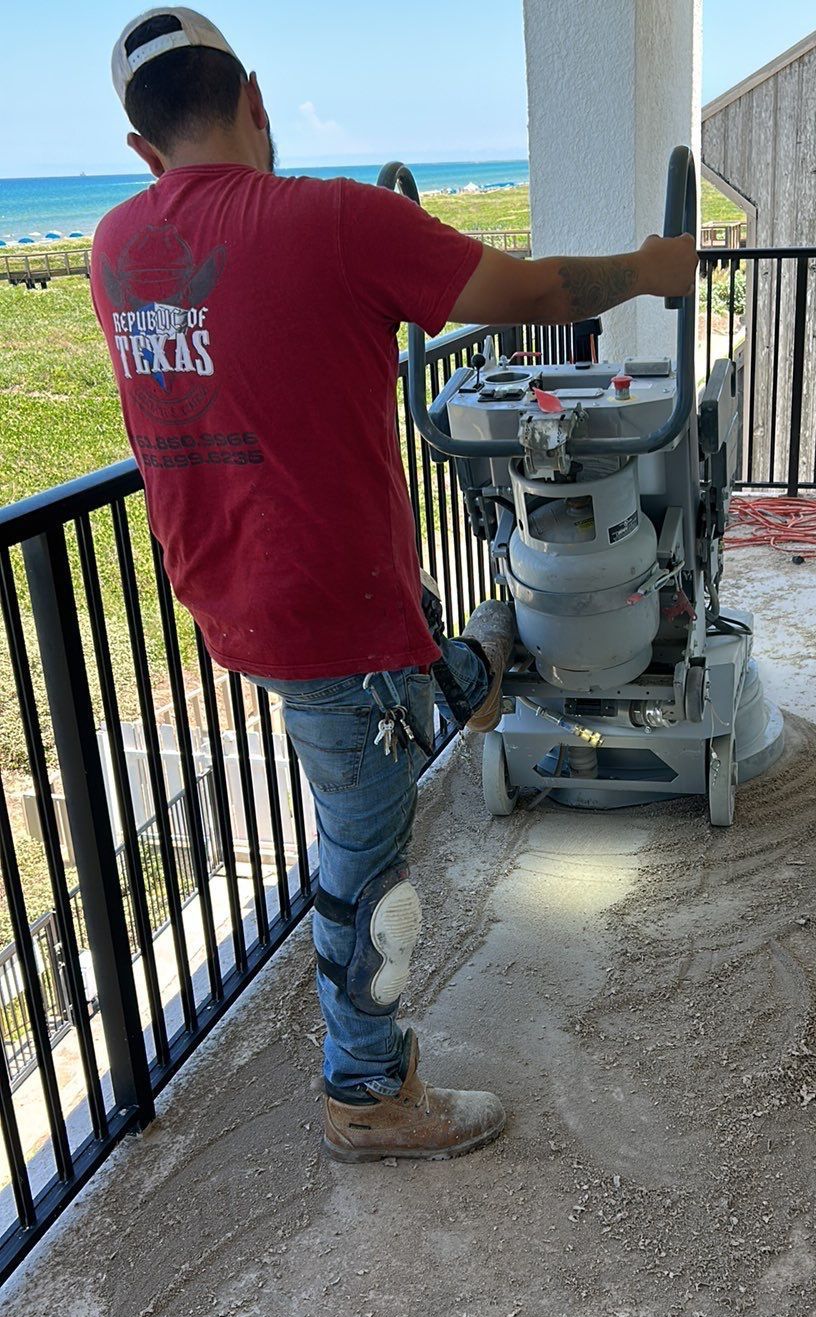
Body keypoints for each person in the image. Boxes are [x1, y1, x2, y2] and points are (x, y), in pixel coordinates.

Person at [93, 7, 699, 1164]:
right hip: (332, 607)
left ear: (139, 149)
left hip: (234, 597)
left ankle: (459, 672)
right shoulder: (331, 218)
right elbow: (529, 294)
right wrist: (653, 268)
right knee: (365, 860)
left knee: (388, 706)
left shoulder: (114, 247)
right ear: (257, 100)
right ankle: (365, 1092)